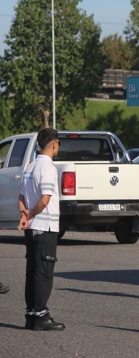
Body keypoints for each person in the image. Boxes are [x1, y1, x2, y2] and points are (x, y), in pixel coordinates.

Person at [18, 128, 64, 331]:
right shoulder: (48, 168)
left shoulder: (30, 167)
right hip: (44, 227)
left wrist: (24, 215)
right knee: (44, 273)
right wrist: (31, 214)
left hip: (31, 229)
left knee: (33, 271)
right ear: (54, 144)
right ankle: (41, 315)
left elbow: (21, 198)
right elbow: (45, 200)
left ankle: (31, 315)